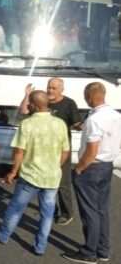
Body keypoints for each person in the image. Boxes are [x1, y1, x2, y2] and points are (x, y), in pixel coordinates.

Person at [0, 90, 70, 256]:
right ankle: (40, 246)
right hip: (52, 177)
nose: (27, 104)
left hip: (30, 176)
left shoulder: (27, 124)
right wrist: (55, 165)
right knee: (47, 214)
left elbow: (19, 151)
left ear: (34, 105)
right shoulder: (59, 124)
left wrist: (13, 172)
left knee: (15, 209)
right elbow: (65, 151)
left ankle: (3, 236)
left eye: (29, 102)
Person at [61, 83, 121, 264]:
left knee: (89, 212)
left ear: (89, 95)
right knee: (101, 209)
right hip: (107, 165)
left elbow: (92, 150)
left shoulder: (95, 119)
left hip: (92, 167)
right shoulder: (116, 116)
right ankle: (103, 249)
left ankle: (89, 252)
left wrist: (79, 168)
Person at [19, 78, 82, 225]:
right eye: (49, 88)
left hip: (60, 151)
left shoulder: (69, 103)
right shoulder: (42, 102)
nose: (50, 91)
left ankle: (67, 213)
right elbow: (23, 112)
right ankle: (49, 211)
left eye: (54, 88)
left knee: (62, 183)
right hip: (41, 151)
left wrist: (87, 125)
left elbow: (77, 123)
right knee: (43, 182)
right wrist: (27, 95)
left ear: (62, 89)